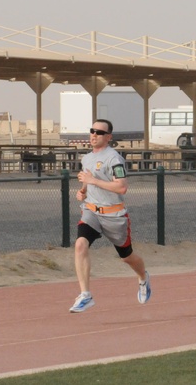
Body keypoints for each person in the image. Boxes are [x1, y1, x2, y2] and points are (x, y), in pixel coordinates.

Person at [70, 119, 151, 313]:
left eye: (99, 132)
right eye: (92, 131)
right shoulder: (87, 158)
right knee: (80, 244)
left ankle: (143, 278)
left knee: (127, 257)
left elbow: (121, 187)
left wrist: (93, 181)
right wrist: (82, 191)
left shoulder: (114, 159)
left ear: (108, 137)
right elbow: (88, 181)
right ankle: (85, 295)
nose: (94, 135)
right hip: (91, 211)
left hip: (114, 215)